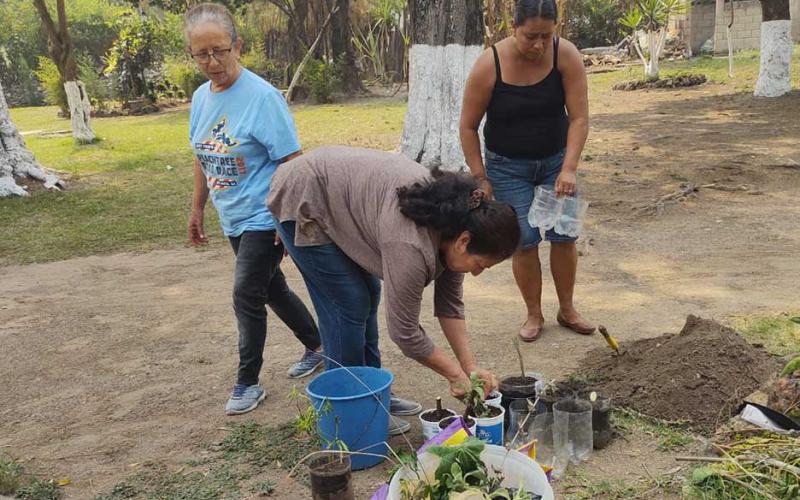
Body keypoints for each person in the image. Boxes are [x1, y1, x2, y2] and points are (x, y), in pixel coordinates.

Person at [268, 145, 521, 435]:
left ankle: (375, 394)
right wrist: (454, 375)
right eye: (480, 265)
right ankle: (350, 412)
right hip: (305, 194)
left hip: (338, 196)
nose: (476, 273)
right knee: (349, 303)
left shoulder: (454, 226)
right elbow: (404, 333)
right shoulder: (410, 243)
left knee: (368, 294)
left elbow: (450, 306)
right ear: (464, 242)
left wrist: (469, 369)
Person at [184, 3, 324, 416]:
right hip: (232, 215)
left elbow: (293, 163)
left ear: (237, 45)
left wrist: (290, 220)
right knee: (271, 288)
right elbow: (201, 155)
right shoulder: (199, 98)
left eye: (220, 51)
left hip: (266, 215)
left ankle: (247, 382)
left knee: (247, 293)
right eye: (201, 54)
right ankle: (318, 345)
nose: (212, 62)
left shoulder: (263, 98)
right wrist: (197, 210)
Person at [459, 0, 595, 342]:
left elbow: (579, 117)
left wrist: (569, 168)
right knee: (524, 241)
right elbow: (468, 127)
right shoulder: (489, 65)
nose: (538, 45)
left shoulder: (566, 56)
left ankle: (567, 309)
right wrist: (481, 176)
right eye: (531, 36)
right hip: (507, 168)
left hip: (556, 162)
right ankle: (534, 314)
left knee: (565, 236)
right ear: (513, 28)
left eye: (546, 37)